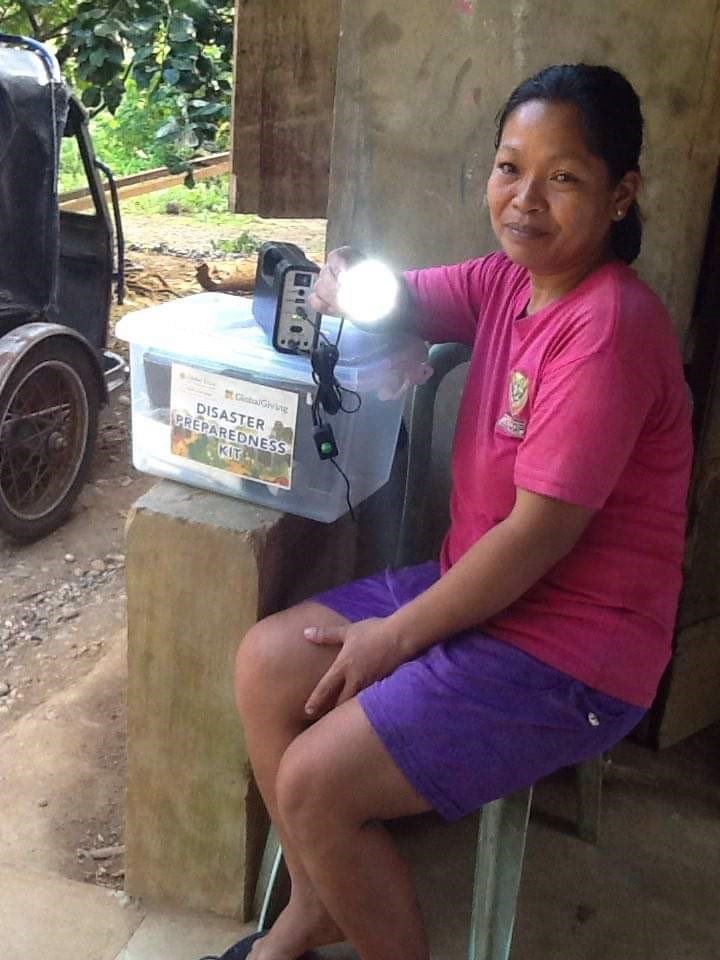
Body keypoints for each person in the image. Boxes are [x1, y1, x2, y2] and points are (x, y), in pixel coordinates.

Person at [217, 64, 693, 960]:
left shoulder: (611, 328)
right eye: (510, 168)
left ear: (621, 194)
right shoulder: (508, 283)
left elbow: (536, 537)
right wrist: (351, 281)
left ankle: (322, 933)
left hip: (572, 650)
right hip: (480, 596)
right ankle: (316, 914)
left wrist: (393, 639)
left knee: (318, 785)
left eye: (564, 178)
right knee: (266, 661)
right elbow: (407, 299)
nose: (525, 201)